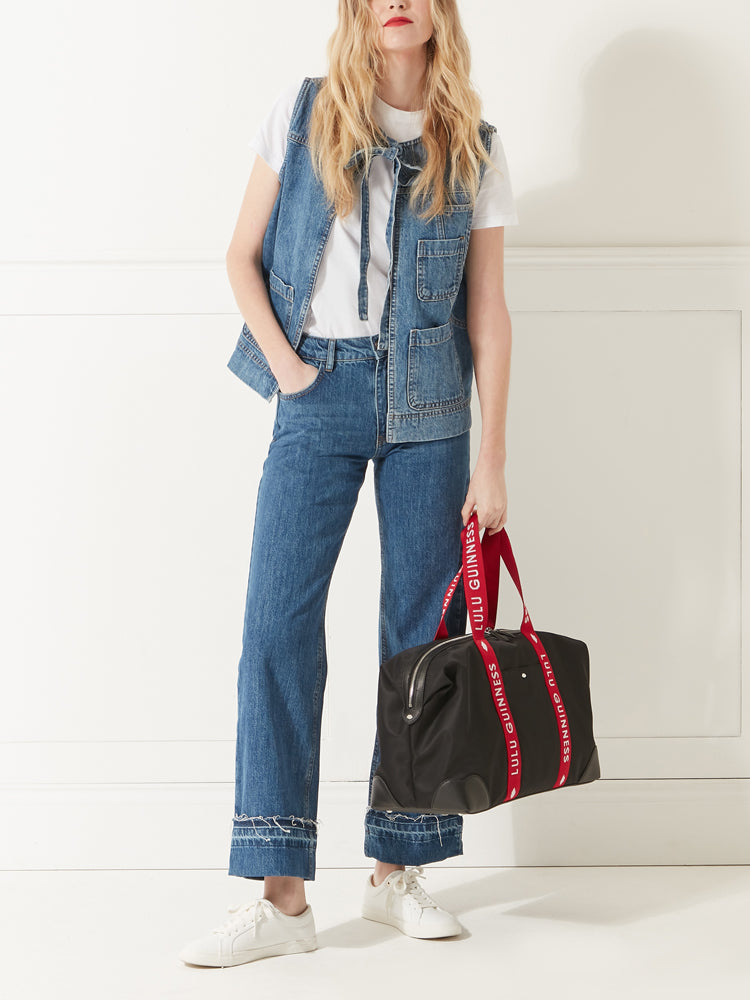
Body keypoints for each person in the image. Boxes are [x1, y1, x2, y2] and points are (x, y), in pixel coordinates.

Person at [180, 0, 517, 968]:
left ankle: (396, 872)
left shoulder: (475, 147)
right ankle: (280, 896)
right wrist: (290, 370)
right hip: (316, 390)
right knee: (276, 626)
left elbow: (488, 314)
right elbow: (239, 256)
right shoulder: (302, 113)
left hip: (430, 411)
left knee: (420, 641)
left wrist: (492, 457)